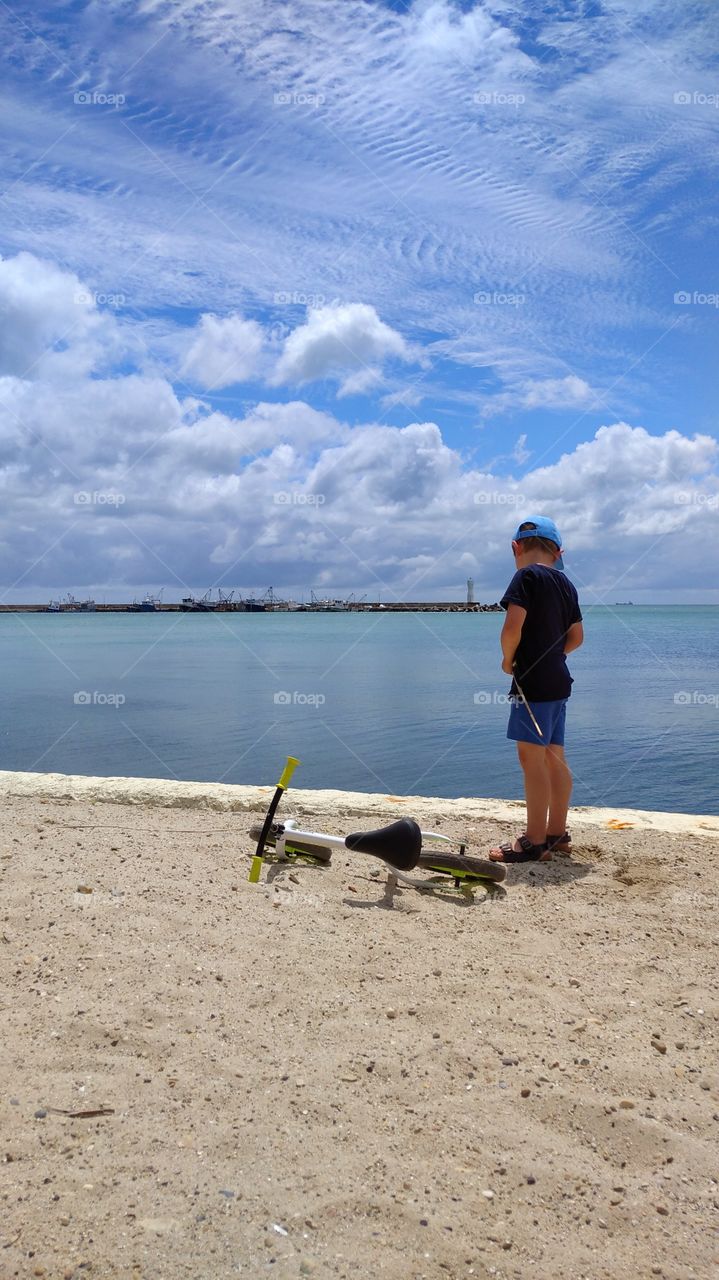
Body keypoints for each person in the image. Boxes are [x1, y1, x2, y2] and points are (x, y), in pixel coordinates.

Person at [489, 516, 583, 863]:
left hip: (533, 683)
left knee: (531, 759)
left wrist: (508, 660)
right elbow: (577, 638)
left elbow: (511, 628)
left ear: (516, 548)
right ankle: (557, 833)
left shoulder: (525, 577)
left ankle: (534, 840)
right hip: (559, 680)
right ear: (559, 552)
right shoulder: (567, 585)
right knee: (554, 755)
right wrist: (553, 657)